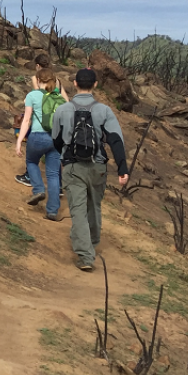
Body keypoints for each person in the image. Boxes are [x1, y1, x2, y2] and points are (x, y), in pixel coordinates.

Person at [51, 69, 129, 272]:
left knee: (77, 209)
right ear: (95, 85)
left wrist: (66, 156)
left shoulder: (63, 110)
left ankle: (86, 256)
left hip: (73, 166)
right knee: (94, 205)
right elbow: (116, 140)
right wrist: (123, 168)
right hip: (98, 166)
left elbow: (56, 140)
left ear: (75, 83)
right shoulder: (104, 111)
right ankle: (92, 241)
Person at [15, 68, 65, 220]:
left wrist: (19, 141)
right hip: (56, 139)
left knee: (31, 162)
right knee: (53, 174)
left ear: (37, 80)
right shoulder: (59, 99)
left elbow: (26, 120)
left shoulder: (32, 95)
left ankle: (38, 190)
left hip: (37, 136)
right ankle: (52, 211)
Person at [16, 54, 61, 186]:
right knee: (53, 155)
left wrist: (28, 100)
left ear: (37, 66)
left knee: (33, 150)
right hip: (54, 123)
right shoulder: (56, 80)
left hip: (40, 120)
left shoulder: (37, 78)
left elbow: (39, 95)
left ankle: (30, 177)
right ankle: (59, 185)